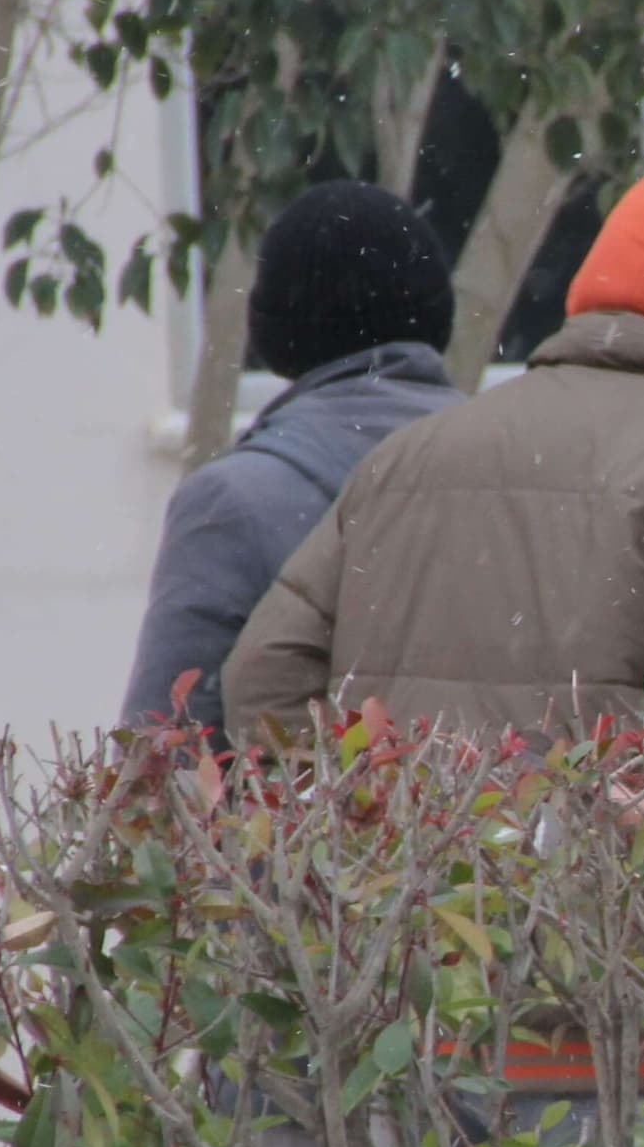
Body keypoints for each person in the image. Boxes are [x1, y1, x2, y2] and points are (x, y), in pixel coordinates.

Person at [220, 152, 644, 740]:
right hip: (611, 864)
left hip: (410, 856)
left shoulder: (411, 456)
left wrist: (359, 833)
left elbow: (265, 677)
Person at [120, 181, 462, 741]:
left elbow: (162, 760)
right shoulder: (530, 474)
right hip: (505, 821)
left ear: (275, 326)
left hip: (309, 824)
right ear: (437, 310)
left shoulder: (233, 503)